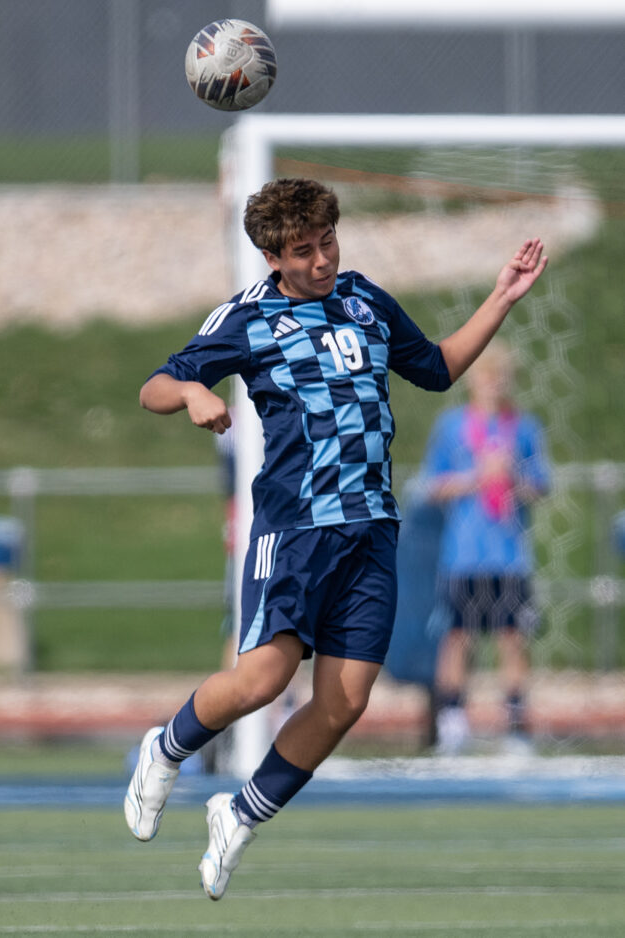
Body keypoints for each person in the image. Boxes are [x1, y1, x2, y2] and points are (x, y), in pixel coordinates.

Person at [123, 177, 548, 900]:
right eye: (304, 251)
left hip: (371, 531)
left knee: (345, 703)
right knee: (262, 680)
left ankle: (240, 814)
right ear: (272, 258)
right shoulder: (246, 318)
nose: (322, 260)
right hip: (294, 530)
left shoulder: (364, 300)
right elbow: (154, 386)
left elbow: (437, 368)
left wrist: (501, 297)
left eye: (328, 242)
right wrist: (193, 392)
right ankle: (165, 749)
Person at [420, 339, 550, 754]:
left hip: (509, 555)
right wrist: (476, 477)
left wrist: (512, 477)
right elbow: (432, 486)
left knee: (513, 637)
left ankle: (516, 726)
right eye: (486, 376)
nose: (493, 384)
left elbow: (541, 486)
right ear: (473, 380)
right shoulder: (452, 426)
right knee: (457, 636)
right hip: (463, 554)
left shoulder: (523, 427)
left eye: (500, 377)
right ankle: (452, 724)